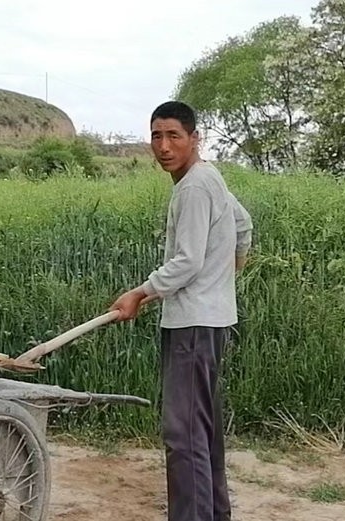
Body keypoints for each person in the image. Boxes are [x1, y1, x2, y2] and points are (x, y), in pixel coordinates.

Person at [110, 100, 253, 521]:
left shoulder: (192, 187)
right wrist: (225, 274)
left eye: (174, 136)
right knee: (202, 432)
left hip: (192, 324)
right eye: (157, 136)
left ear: (195, 138)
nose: (164, 146)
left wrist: (140, 293)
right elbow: (243, 225)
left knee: (183, 436)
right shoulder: (209, 177)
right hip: (210, 321)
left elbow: (187, 262)